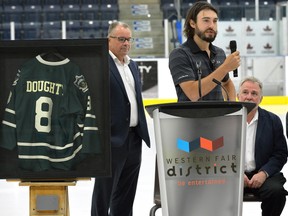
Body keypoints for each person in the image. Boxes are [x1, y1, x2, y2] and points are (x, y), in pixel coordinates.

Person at [91, 21, 150, 216]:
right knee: (104, 195)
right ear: (109, 40)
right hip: (112, 140)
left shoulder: (132, 65)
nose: (126, 43)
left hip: (134, 139)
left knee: (126, 195)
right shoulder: (100, 63)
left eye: (129, 40)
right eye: (121, 39)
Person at [169, 1, 240, 102]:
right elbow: (193, 94)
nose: (211, 25)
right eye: (206, 20)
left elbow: (226, 82)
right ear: (192, 23)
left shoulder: (219, 53)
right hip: (190, 117)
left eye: (215, 21)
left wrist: (232, 108)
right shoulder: (179, 54)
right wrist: (225, 68)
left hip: (218, 117)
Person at [237, 76, 288, 216]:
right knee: (216, 189)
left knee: (277, 192)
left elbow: (280, 154)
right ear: (237, 96)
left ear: (261, 98)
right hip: (234, 174)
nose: (249, 97)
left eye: (254, 94)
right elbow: (218, 152)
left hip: (264, 174)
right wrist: (236, 173)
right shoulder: (226, 121)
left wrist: (263, 173)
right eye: (245, 92)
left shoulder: (273, 121)